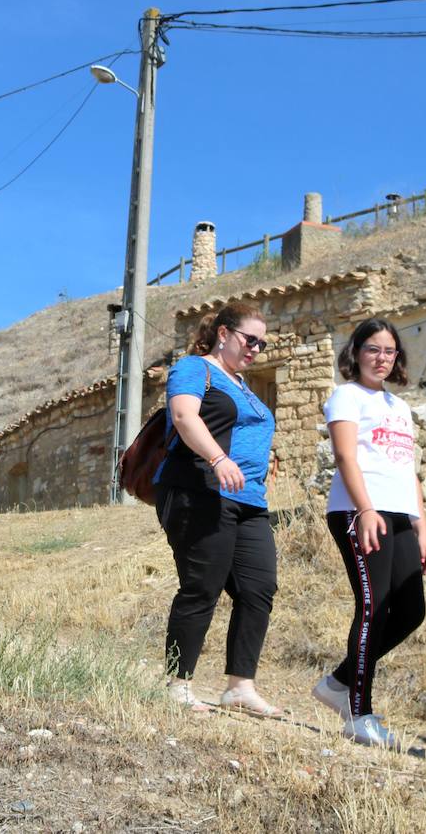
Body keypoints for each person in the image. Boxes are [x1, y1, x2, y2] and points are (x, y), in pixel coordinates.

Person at [151, 302, 278, 715]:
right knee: (202, 586)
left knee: (258, 589)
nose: (256, 348)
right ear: (224, 333)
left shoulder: (243, 386)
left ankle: (239, 687)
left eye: (262, 342)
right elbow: (185, 417)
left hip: (250, 502)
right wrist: (219, 459)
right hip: (199, 490)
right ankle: (177, 683)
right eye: (249, 339)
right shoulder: (194, 368)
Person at [311, 318, 426, 747]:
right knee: (374, 606)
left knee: (410, 610)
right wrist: (364, 509)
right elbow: (345, 455)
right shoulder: (346, 396)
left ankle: (339, 682)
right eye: (373, 349)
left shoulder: (399, 408)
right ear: (356, 352)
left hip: (399, 515)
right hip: (358, 510)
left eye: (390, 351)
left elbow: (407, 469)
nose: (381, 358)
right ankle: (358, 713)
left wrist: (422, 525)